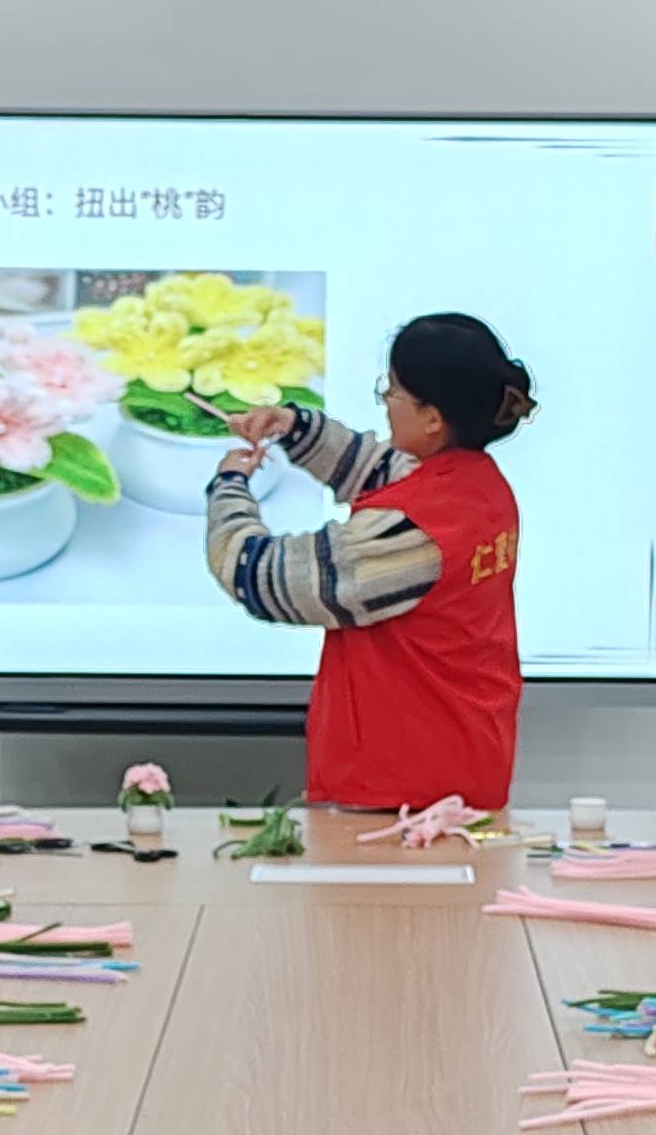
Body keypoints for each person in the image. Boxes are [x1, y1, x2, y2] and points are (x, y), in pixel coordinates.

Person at [203, 311, 532, 811]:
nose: (385, 402)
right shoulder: (478, 485)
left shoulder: (413, 531)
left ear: (432, 417)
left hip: (401, 789)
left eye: (393, 391)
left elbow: (263, 576)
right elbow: (381, 470)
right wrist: (293, 427)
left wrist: (229, 487)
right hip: (455, 768)